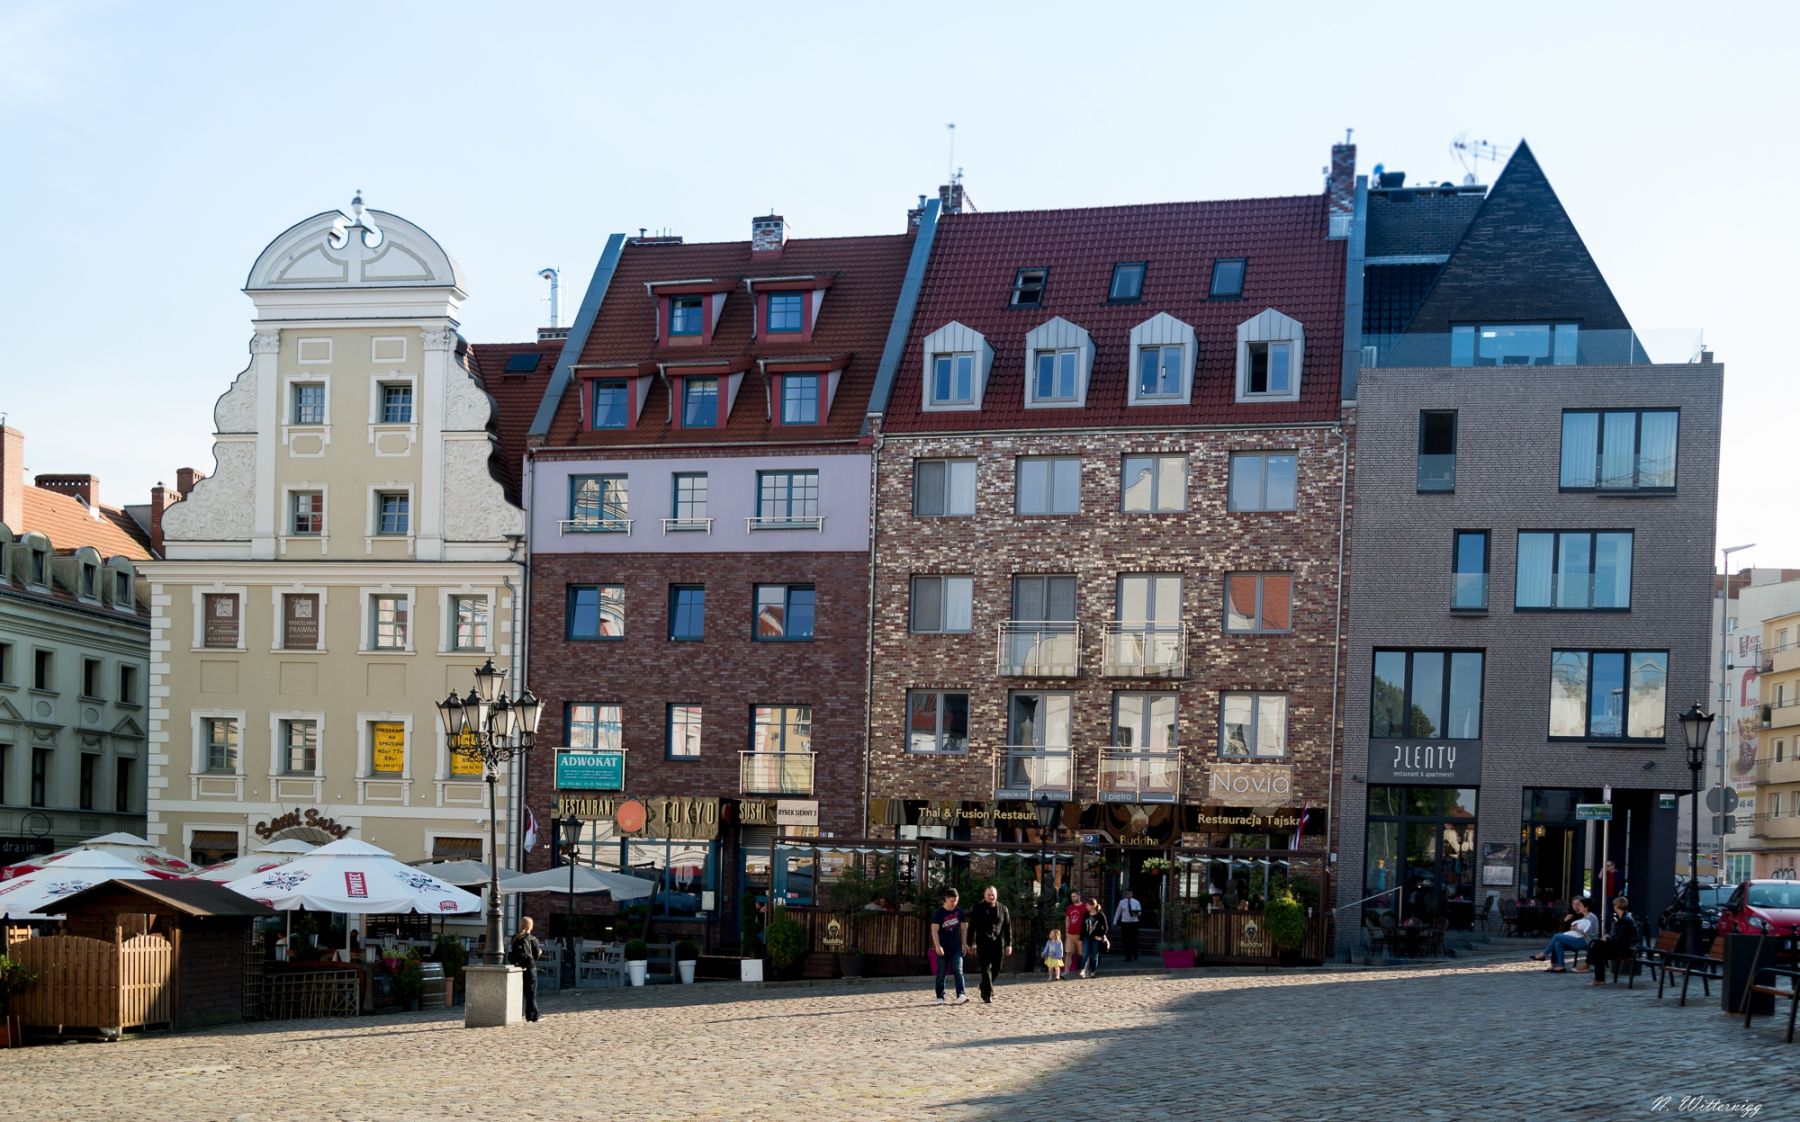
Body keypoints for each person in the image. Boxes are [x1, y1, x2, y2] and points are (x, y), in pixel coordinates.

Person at [968, 885, 1013, 1003]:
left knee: (997, 967)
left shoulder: (1003, 909)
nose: (991, 897)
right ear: (984, 895)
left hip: (998, 942)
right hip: (982, 942)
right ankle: (988, 994)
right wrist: (969, 943)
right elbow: (971, 927)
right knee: (985, 967)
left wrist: (1009, 944)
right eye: (989, 895)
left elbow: (1007, 928)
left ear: (996, 895)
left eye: (993, 894)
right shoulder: (977, 908)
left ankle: (984, 985)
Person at [1530, 897, 1594, 972]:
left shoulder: (1590, 917)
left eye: (1580, 905)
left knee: (1557, 936)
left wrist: (1576, 929)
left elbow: (1589, 934)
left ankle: (1544, 954)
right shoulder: (1583, 916)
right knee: (1558, 943)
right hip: (1575, 938)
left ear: (1586, 907)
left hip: (1585, 941)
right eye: (1575, 904)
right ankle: (1560, 966)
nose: (1578, 907)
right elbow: (1566, 926)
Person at [1586, 896, 1639, 985]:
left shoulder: (1625, 919)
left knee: (1597, 947)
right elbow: (1620, 937)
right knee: (1597, 945)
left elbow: (1620, 938)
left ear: (1616, 906)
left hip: (1627, 950)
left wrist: (1607, 939)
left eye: (1614, 905)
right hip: (1625, 947)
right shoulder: (1624, 917)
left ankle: (1595, 974)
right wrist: (1608, 938)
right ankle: (1594, 973)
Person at [930, 887, 969, 1005]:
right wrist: (937, 946)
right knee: (941, 972)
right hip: (943, 947)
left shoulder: (959, 912)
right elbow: (934, 931)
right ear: (946, 899)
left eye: (956, 900)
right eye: (952, 900)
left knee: (958, 970)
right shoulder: (939, 913)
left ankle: (961, 994)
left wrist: (964, 944)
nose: (954, 903)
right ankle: (940, 997)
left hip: (956, 947)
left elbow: (963, 929)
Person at [507, 916, 544, 1022]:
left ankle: (524, 1014)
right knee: (531, 993)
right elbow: (536, 956)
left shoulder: (514, 938)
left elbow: (510, 953)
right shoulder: (532, 939)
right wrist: (540, 952)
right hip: (529, 969)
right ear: (530, 926)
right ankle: (534, 1015)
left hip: (517, 969)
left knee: (519, 993)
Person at [1081, 895, 1111, 978]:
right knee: (1084, 954)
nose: (1086, 907)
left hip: (1096, 938)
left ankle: (1093, 971)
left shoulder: (1100, 915)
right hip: (1087, 937)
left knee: (1094, 956)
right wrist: (1081, 938)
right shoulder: (1086, 915)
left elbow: (1106, 927)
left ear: (1093, 906)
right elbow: (1082, 927)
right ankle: (1082, 970)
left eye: (1087, 905)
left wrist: (1100, 936)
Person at [1113, 889, 1143, 960]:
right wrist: (1115, 921)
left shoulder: (1136, 902)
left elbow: (1140, 912)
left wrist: (1136, 913)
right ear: (1125, 894)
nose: (1128, 895)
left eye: (1130, 894)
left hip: (1134, 922)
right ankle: (1128, 956)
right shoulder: (1122, 902)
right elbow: (1118, 911)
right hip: (1125, 923)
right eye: (1127, 894)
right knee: (1126, 940)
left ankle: (1135, 954)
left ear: (1132, 894)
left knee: (1134, 940)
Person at [1063, 895, 1087, 977]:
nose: (1073, 898)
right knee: (1068, 953)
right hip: (1070, 934)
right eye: (1072, 897)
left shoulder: (1085, 907)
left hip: (1081, 934)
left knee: (1083, 954)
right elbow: (1067, 919)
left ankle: (1084, 971)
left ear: (1079, 896)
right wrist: (1067, 931)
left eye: (1075, 896)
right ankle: (1066, 972)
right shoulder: (1069, 907)